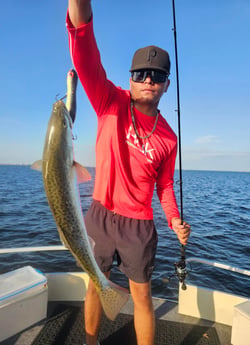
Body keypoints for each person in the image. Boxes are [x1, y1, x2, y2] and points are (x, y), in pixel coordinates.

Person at [66, 1, 191, 345]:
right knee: (95, 285)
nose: (149, 80)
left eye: (158, 75)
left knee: (142, 300)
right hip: (101, 216)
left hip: (139, 226)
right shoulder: (108, 100)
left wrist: (174, 220)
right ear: (131, 79)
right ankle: (90, 342)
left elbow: (164, 186)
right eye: (141, 74)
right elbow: (84, 50)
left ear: (166, 84)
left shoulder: (168, 137)